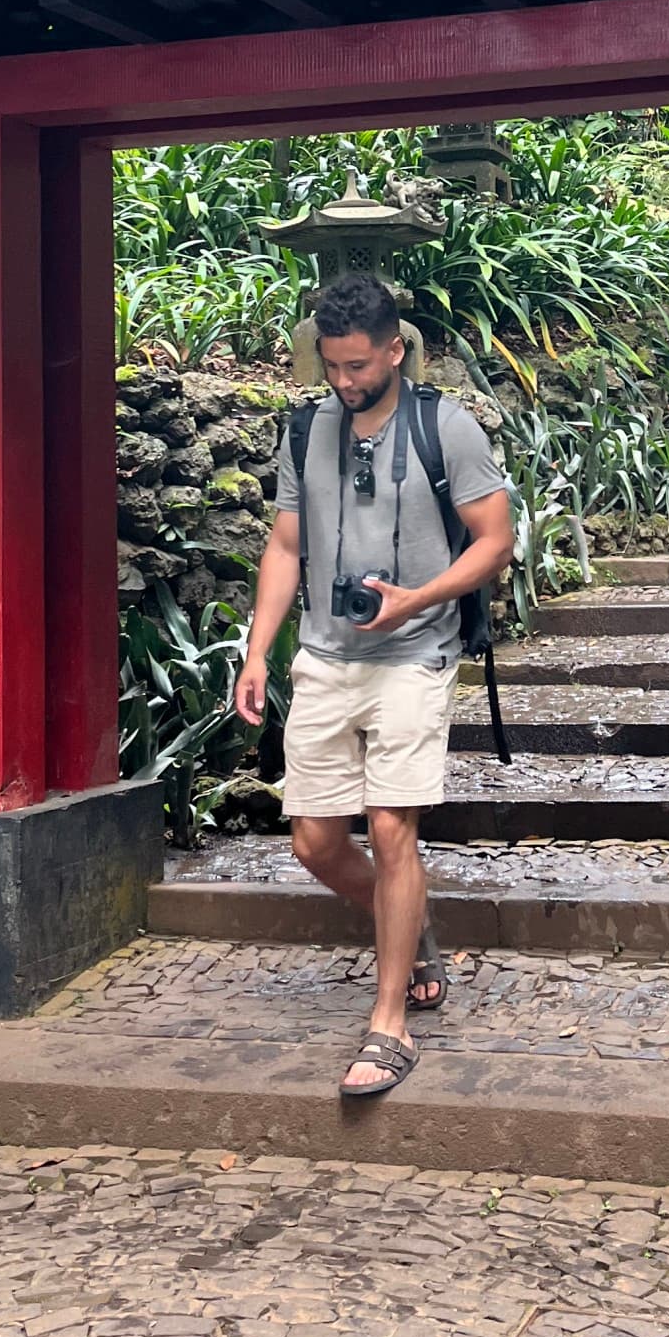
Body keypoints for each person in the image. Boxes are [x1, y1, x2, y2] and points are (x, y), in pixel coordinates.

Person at [233, 272, 514, 1098]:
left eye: (357, 365)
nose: (344, 380)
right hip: (325, 655)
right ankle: (408, 920)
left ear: (395, 350)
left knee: (392, 827)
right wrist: (257, 651)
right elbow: (286, 546)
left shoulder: (445, 427)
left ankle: (389, 1023)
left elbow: (494, 540)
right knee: (315, 843)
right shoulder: (306, 430)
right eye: (331, 365)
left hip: (416, 653)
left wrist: (416, 600)